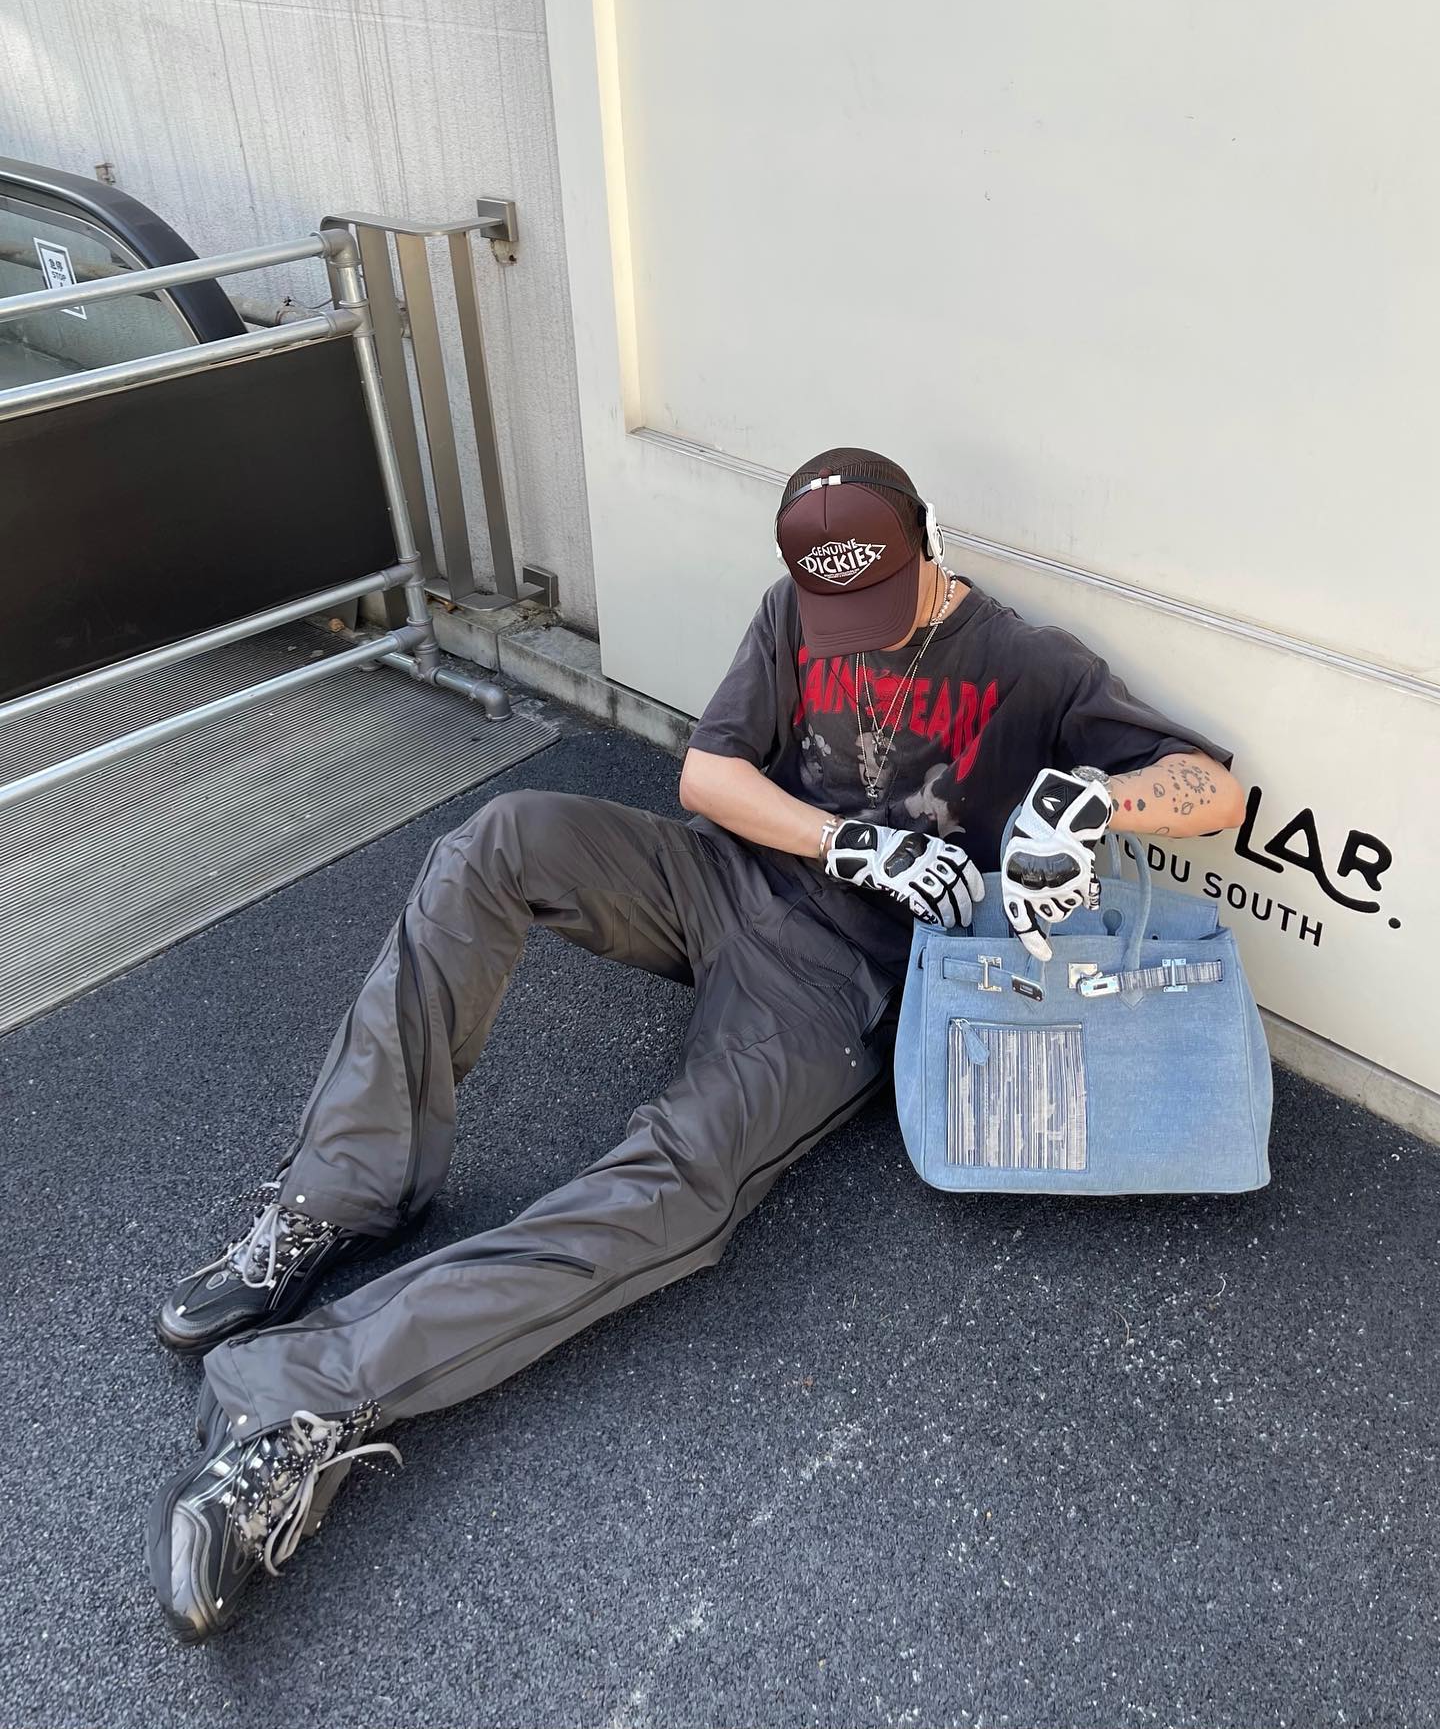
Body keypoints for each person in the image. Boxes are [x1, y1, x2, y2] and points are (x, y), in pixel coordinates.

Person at [147, 447, 1244, 1640]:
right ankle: (340, 1191)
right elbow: (710, 776)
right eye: (836, 613)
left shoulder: (1024, 662)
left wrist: (1097, 803)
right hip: (722, 880)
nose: (857, 636)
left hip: (837, 975)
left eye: (882, 605)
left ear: (931, 549)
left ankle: (299, 1396)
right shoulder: (795, 611)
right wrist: (844, 840)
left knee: (677, 1186)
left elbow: (1213, 789)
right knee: (498, 838)